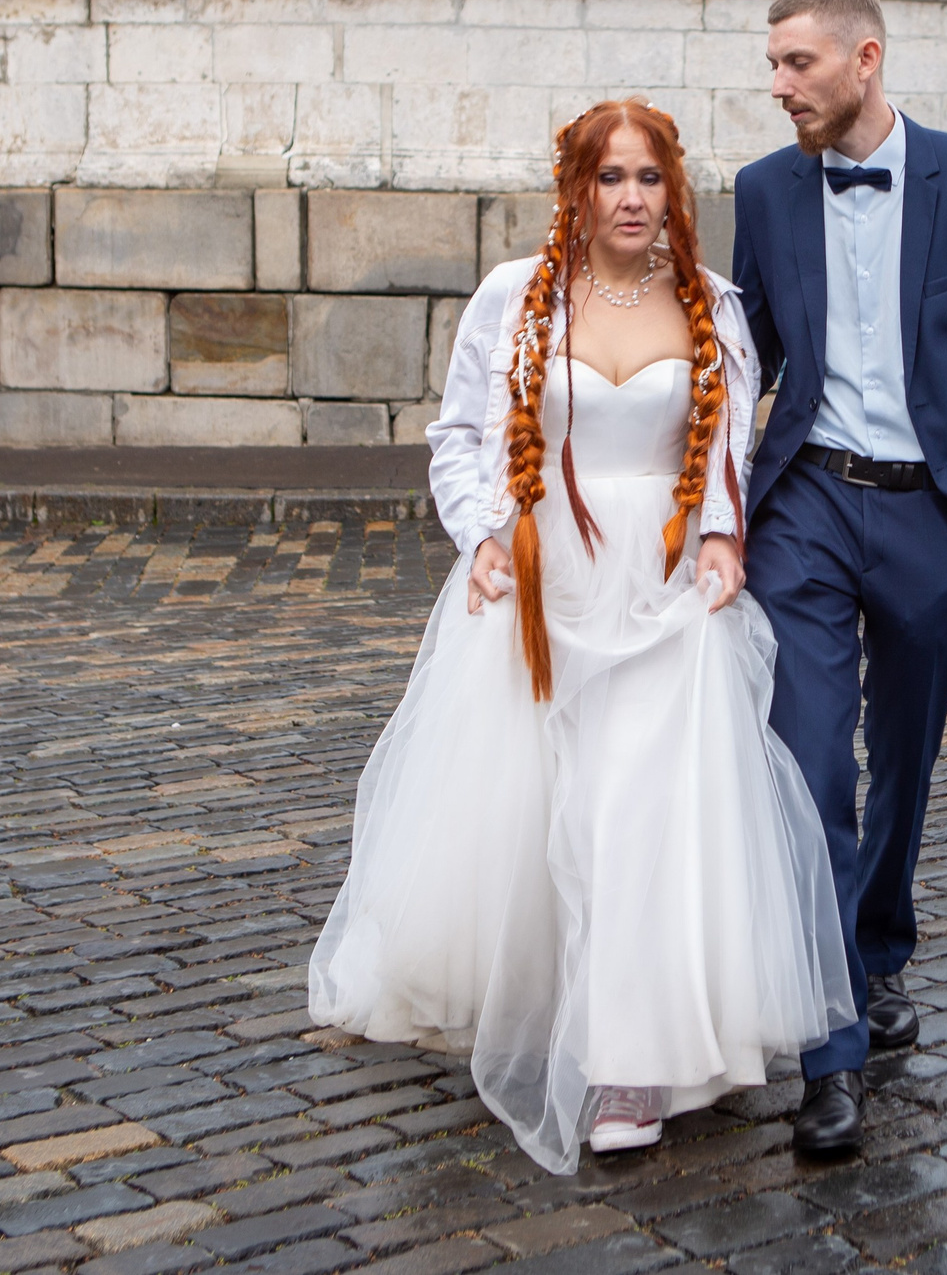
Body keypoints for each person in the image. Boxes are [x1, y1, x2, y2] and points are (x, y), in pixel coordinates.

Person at [310, 101, 851, 1175]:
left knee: (637, 814)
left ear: (674, 190)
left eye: (650, 178)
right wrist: (481, 540)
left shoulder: (712, 306)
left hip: (660, 593)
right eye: (613, 178)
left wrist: (720, 539)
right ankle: (548, 996)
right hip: (544, 583)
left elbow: (731, 443)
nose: (634, 200)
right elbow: (456, 433)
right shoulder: (514, 298)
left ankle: (629, 1056)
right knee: (540, 808)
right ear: (577, 187)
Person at [732, 0, 947, 1153]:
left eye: (796, 64)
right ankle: (828, 1044)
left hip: (937, 513)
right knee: (813, 757)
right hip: (806, 503)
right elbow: (744, 361)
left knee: (902, 758)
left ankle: (878, 952)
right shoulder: (763, 192)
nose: (778, 86)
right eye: (771, 65)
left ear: (864, 60)